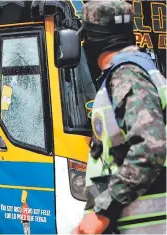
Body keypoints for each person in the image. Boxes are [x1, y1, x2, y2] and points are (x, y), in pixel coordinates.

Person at [72, 0, 166, 234]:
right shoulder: (144, 71)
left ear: (93, 39)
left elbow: (150, 147)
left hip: (141, 226)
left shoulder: (127, 76)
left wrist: (102, 213)